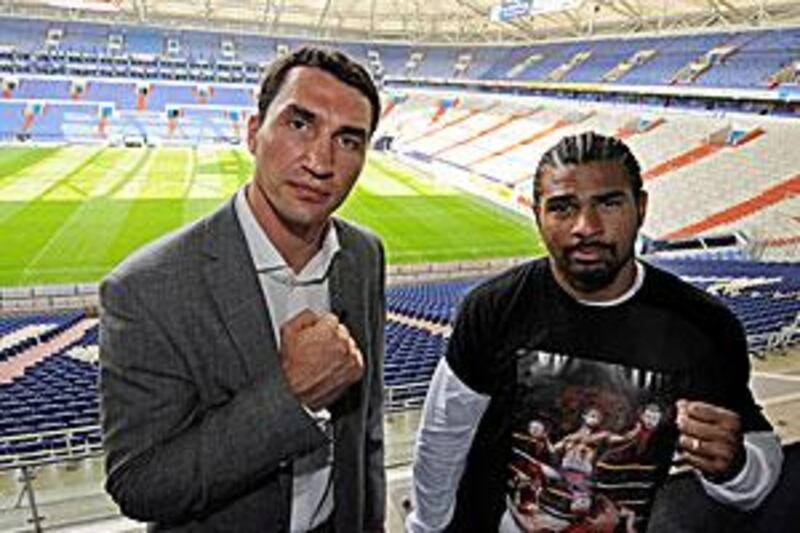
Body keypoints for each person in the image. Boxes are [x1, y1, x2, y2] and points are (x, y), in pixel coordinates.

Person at [406, 131, 783, 532]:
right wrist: (426, 528)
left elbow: (758, 467)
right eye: (563, 207)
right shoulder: (493, 309)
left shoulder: (703, 325)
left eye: (608, 203)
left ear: (640, 207)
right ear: (538, 216)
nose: (586, 226)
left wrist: (736, 468)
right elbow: (443, 436)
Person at [100, 46, 386, 532]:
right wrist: (293, 397)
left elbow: (367, 432)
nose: (321, 161)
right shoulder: (145, 288)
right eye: (300, 124)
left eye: (348, 140)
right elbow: (140, 483)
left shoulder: (363, 256)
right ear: (254, 133)